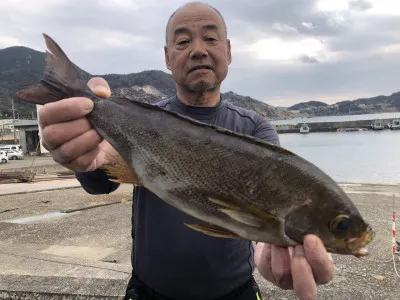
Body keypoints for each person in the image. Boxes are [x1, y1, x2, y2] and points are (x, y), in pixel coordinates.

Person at [38, 2, 334, 300]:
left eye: (210, 38)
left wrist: (272, 247)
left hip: (236, 291)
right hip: (148, 291)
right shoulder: (140, 121)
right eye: (182, 41)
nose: (198, 50)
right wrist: (83, 156)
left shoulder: (255, 129)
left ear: (228, 51)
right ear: (168, 57)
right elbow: (100, 183)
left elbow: (272, 209)